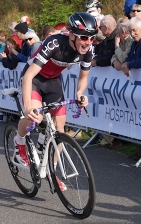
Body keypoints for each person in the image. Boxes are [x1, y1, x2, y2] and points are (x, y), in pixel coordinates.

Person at [13, 12, 98, 192]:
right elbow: (28, 76)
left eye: (91, 38)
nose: (88, 42)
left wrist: (80, 93)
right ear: (72, 35)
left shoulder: (88, 50)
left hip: (54, 82)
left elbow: (83, 77)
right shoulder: (54, 43)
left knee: (60, 131)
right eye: (83, 37)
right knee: (33, 117)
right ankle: (19, 140)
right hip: (35, 78)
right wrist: (28, 107)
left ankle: (50, 171)